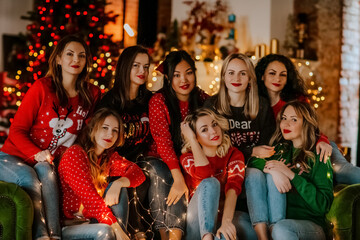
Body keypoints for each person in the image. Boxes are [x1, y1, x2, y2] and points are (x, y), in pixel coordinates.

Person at [0, 35, 101, 240]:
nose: (76, 60)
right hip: (12, 157)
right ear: (58, 59)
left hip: (48, 161)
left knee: (46, 170)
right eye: (70, 54)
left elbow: (87, 136)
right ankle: (42, 236)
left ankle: (53, 235)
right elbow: (17, 129)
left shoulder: (92, 94)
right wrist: (36, 153)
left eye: (81, 56)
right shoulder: (42, 88)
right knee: (29, 179)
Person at [255, 53, 360, 184]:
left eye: (283, 74)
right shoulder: (254, 104)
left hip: (317, 144)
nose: (277, 79)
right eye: (272, 73)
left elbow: (313, 127)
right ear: (262, 76)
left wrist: (322, 141)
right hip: (291, 153)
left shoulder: (297, 99)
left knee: (342, 172)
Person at [247, 100, 333, 240]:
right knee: (239, 220)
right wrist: (273, 171)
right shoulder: (281, 150)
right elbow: (252, 161)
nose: (286, 124)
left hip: (311, 225)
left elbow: (323, 205)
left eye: (293, 120)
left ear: (306, 123)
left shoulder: (319, 155)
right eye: (284, 118)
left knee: (281, 229)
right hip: (279, 220)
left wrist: (291, 175)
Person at [58, 108, 146, 240]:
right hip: (72, 226)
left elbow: (138, 174)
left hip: (94, 220)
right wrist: (119, 232)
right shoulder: (74, 154)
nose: (110, 134)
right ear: (93, 129)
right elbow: (91, 199)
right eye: (105, 127)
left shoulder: (108, 157)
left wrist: (118, 183)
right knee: (105, 231)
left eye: (115, 130)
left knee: (119, 190)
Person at [148, 50, 208, 240]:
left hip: (188, 157)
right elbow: (163, 142)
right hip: (157, 157)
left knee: (184, 175)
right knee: (165, 175)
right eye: (177, 75)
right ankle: (167, 236)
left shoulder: (202, 99)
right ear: (168, 77)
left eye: (188, 72)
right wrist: (178, 177)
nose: (184, 79)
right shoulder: (159, 101)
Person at [96, 45, 154, 240]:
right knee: (124, 186)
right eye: (136, 65)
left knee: (149, 173)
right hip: (113, 163)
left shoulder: (150, 100)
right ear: (125, 67)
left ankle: (143, 232)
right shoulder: (109, 102)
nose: (142, 72)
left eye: (146, 67)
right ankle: (136, 233)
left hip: (141, 160)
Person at [180, 108, 256, 240]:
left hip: (224, 216)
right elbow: (205, 176)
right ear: (195, 136)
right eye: (204, 130)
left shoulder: (233, 154)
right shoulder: (188, 158)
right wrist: (192, 139)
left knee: (245, 233)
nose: (213, 131)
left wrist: (227, 223)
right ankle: (207, 237)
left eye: (214, 124)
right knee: (211, 182)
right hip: (196, 224)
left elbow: (234, 187)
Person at [205, 53, 275, 162]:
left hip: (256, 163)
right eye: (231, 73)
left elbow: (266, 146)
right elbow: (213, 148)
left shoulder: (262, 105)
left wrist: (254, 154)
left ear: (250, 78)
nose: (236, 78)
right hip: (224, 163)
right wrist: (251, 151)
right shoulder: (212, 105)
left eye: (242, 73)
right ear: (223, 77)